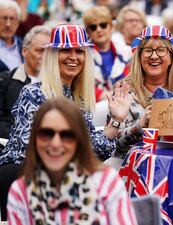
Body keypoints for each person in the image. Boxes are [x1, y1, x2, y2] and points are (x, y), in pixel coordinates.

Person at [0, 24, 131, 220]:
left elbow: (96, 150)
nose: (73, 57)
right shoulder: (34, 93)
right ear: (53, 55)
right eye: (66, 50)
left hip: (63, 173)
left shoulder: (80, 98)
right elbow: (37, 150)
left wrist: (116, 121)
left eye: (79, 51)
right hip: (23, 172)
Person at [7, 97, 138, 225]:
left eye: (66, 135)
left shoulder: (106, 183)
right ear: (35, 139)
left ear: (79, 141)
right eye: (46, 134)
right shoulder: (21, 192)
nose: (55, 143)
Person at [111, 25, 173, 158]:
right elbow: (112, 143)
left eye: (161, 50)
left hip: (172, 166)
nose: (154, 56)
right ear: (139, 57)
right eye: (148, 50)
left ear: (171, 57)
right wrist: (141, 124)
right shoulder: (123, 91)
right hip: (129, 166)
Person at [0, 25, 50, 139]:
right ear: (24, 51)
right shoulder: (4, 81)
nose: (44, 56)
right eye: (39, 50)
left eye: (49, 51)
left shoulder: (59, 84)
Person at [82, 6, 131, 102]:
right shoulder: (82, 55)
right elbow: (81, 87)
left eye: (103, 25)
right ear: (88, 32)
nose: (98, 30)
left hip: (126, 102)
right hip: (95, 106)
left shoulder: (126, 52)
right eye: (93, 27)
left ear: (111, 26)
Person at [0, 0, 23, 73]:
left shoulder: (25, 46)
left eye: (12, 19)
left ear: (18, 23)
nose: (8, 24)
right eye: (4, 18)